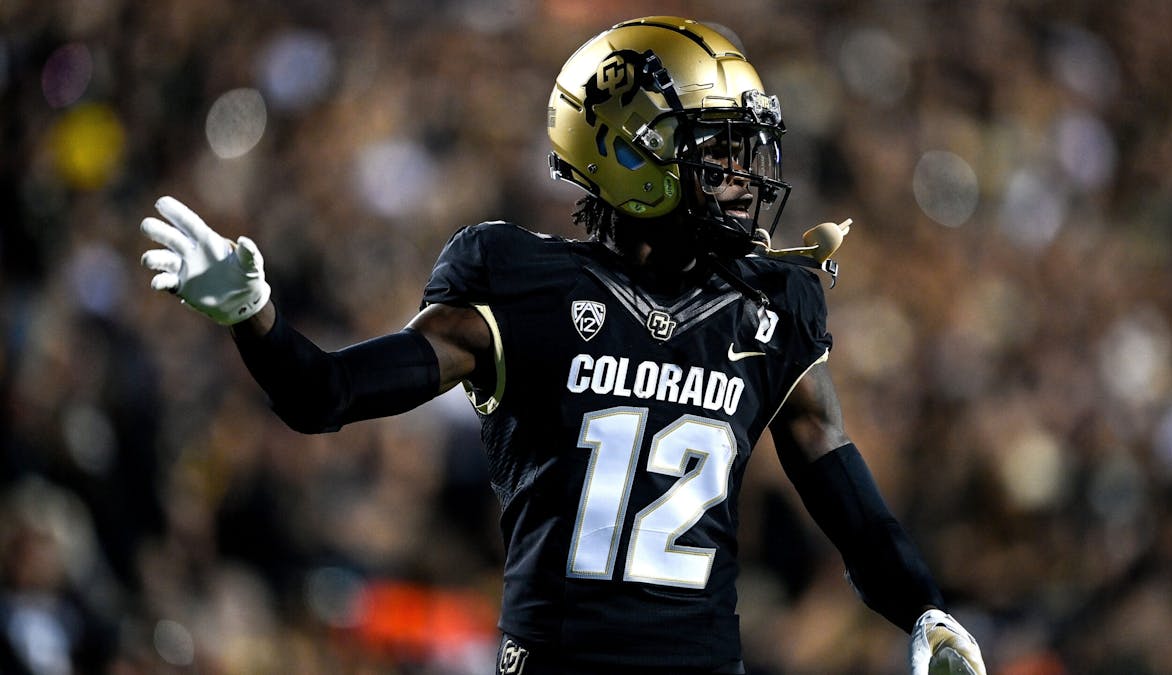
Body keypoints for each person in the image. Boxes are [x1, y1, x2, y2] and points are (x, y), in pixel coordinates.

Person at [138, 15, 986, 675]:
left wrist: (923, 607)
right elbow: (323, 394)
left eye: (744, 149)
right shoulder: (522, 284)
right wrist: (254, 316)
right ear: (628, 152)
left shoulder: (770, 301)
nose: (741, 176)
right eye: (716, 150)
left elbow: (841, 486)